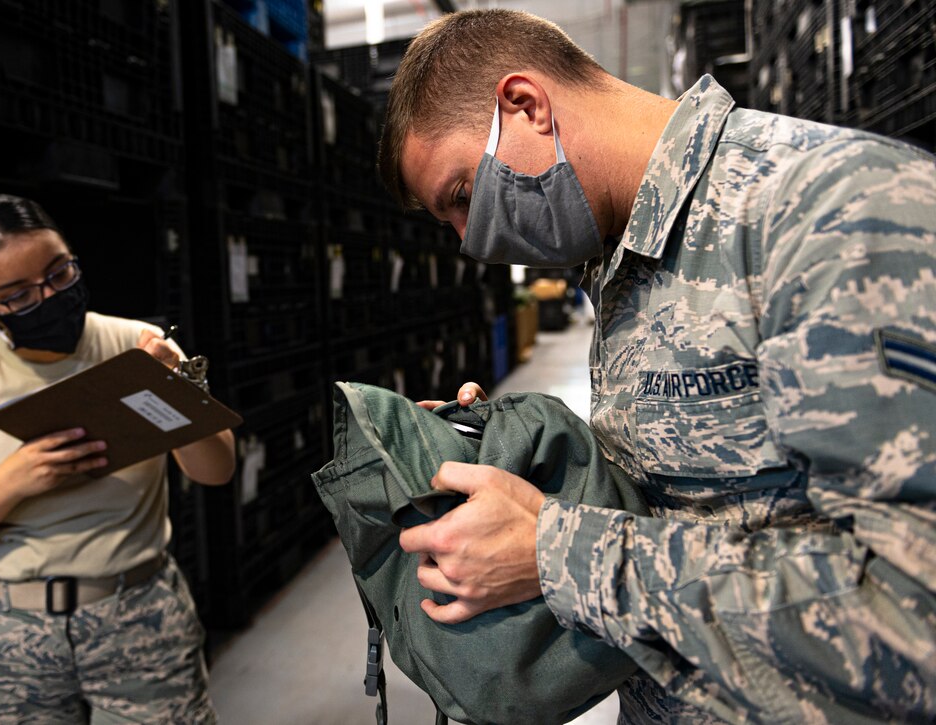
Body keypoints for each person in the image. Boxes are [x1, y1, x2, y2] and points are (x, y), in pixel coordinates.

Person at [377, 9, 936, 723]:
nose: (470, 239)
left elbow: (913, 613)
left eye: (461, 195)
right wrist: (522, 464)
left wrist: (556, 551)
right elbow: (699, 495)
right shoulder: (618, 259)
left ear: (526, 106)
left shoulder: (831, 210)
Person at [0, 194, 236, 724]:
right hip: (9, 637)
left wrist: (165, 390)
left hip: (140, 614)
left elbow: (217, 470)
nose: (48, 297)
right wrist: (10, 482)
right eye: (18, 296)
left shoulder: (136, 344)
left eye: (58, 274)